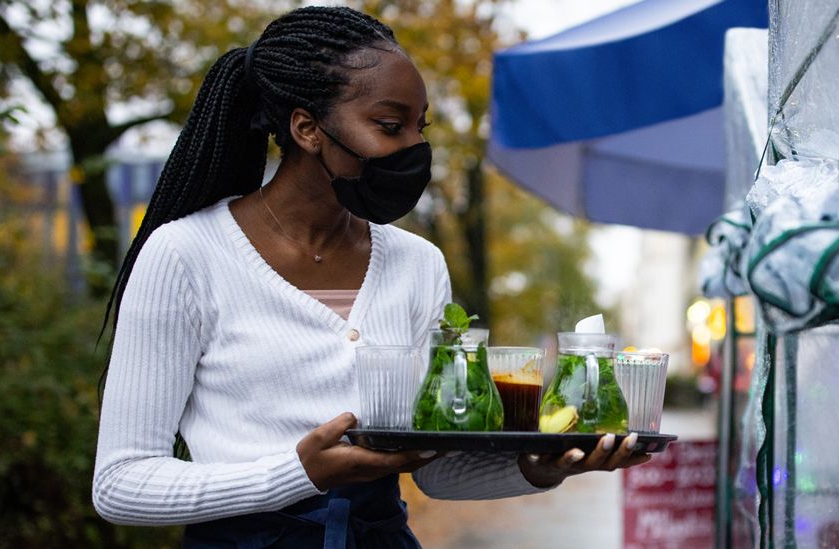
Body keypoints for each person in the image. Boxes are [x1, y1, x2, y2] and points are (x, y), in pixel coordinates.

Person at [92, 6, 650, 547]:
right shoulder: (186, 254)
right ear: (308, 129)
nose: (415, 147)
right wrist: (297, 473)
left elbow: (433, 470)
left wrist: (540, 466)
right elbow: (122, 485)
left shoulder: (418, 263)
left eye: (418, 127)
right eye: (390, 126)